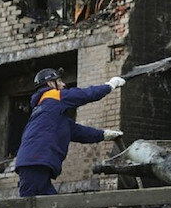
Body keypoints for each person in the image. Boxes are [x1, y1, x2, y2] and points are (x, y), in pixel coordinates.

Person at [15, 68, 126, 197]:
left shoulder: (50, 111)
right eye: (59, 81)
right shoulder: (53, 96)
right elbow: (84, 95)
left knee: (50, 204)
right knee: (31, 204)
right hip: (35, 162)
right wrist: (109, 86)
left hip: (35, 163)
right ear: (51, 84)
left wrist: (103, 135)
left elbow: (77, 132)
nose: (63, 85)